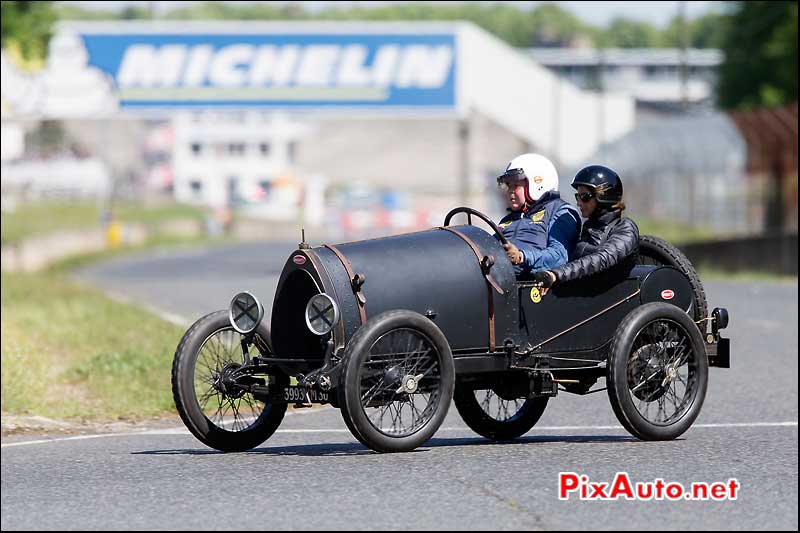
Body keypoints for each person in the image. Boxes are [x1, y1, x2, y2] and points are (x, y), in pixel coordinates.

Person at [533, 164, 639, 291]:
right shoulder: (588, 227)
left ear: (604, 196)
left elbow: (602, 259)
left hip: (605, 302)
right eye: (577, 196)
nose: (578, 203)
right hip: (578, 294)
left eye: (585, 197)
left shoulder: (625, 228)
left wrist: (555, 274)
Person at [496, 153, 581, 279]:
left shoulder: (561, 212)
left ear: (537, 184)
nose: (510, 191)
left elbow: (559, 256)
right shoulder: (507, 220)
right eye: (508, 185)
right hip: (496, 281)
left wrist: (521, 257)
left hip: (529, 289)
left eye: (516, 185)